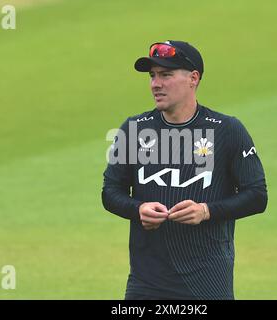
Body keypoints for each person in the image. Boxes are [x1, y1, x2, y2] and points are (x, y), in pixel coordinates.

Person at [102, 40, 268, 300]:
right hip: (146, 284)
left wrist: (206, 211)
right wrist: (137, 209)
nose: (156, 84)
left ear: (193, 78)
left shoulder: (226, 130)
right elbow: (111, 191)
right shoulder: (134, 129)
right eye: (152, 76)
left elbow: (257, 196)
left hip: (207, 283)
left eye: (166, 75)